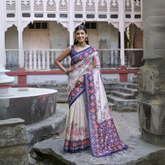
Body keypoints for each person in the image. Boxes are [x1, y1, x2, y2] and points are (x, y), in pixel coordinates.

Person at [54, 24, 127, 157]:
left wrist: (84, 77)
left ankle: (87, 140)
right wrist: (66, 70)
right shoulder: (70, 48)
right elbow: (57, 60)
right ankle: (75, 141)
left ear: (86, 35)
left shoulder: (92, 50)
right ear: (75, 36)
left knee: (85, 108)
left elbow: (97, 68)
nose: (80, 36)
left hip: (87, 82)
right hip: (73, 84)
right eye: (78, 34)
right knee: (76, 109)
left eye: (82, 33)